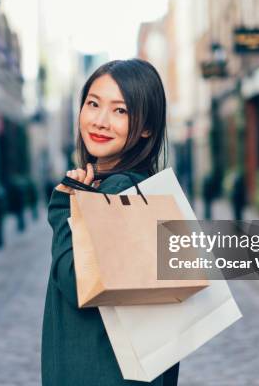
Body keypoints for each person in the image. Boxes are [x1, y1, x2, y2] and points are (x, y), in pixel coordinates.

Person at [42, 59, 180, 385]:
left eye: (121, 111)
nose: (101, 121)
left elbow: (79, 283)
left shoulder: (119, 191)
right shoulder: (143, 189)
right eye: (93, 104)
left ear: (147, 127)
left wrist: (64, 207)